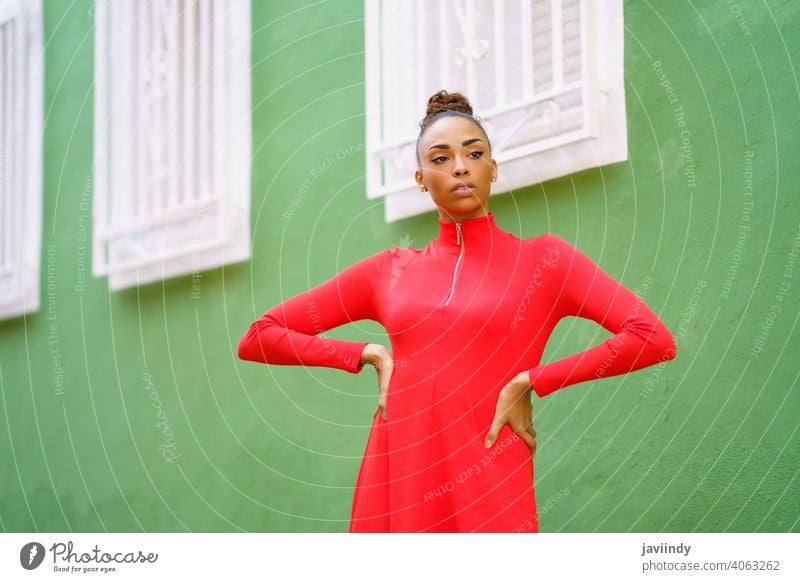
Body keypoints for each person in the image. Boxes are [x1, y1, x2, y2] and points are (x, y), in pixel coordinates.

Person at [238, 90, 677, 533]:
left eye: (474, 153)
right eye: (441, 158)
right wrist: (366, 353)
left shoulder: (545, 261)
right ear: (420, 178)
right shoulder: (388, 271)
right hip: (397, 477)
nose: (460, 167)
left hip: (489, 472)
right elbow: (260, 335)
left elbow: (651, 337)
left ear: (493, 167)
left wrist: (533, 380)